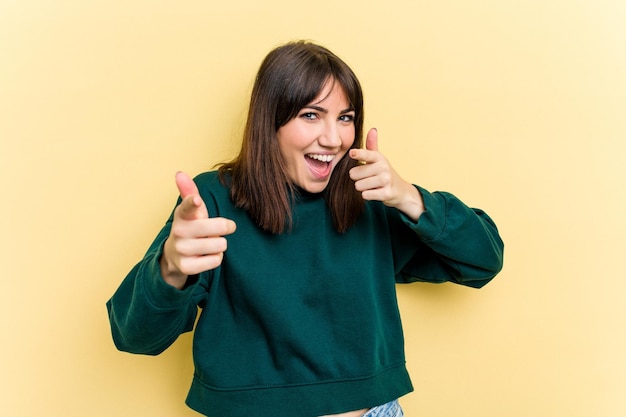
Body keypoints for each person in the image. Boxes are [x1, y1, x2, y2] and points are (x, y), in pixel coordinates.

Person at [107, 40, 504, 417]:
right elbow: (134, 336)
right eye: (311, 115)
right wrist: (171, 268)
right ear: (271, 122)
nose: (333, 139)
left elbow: (483, 260)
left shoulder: (366, 198)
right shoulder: (212, 201)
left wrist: (411, 199)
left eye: (345, 118)